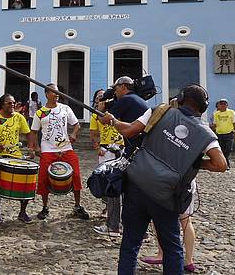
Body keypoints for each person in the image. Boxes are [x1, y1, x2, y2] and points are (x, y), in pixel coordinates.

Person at [105, 84, 227, 275]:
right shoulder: (205, 133)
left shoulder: (159, 111)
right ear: (204, 107)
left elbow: (129, 130)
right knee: (172, 249)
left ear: (179, 98)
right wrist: (195, 163)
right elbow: (221, 164)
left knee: (131, 244)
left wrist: (113, 121)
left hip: (137, 186)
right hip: (166, 196)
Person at [29, 83, 89, 221]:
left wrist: (74, 134)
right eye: (53, 92)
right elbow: (33, 132)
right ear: (46, 94)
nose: (56, 94)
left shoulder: (65, 108)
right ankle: (45, 207)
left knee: (76, 175)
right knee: (43, 177)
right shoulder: (40, 112)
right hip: (48, 149)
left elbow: (76, 125)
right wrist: (36, 147)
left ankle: (77, 206)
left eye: (58, 92)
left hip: (65, 147)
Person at [0, 93, 34, 224]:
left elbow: (28, 134)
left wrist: (31, 148)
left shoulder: (19, 117)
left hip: (16, 156)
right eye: (9, 103)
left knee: (25, 184)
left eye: (13, 103)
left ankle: (22, 212)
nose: (12, 105)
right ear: (1, 105)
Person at [89, 89, 125, 237]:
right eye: (99, 97)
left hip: (121, 149)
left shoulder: (118, 111)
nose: (102, 99)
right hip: (107, 150)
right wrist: (98, 147)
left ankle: (116, 220)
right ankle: (110, 212)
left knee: (120, 187)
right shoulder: (96, 115)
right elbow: (93, 133)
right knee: (107, 184)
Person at [107, 76, 149, 154]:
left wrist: (99, 110)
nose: (115, 93)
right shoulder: (138, 99)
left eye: (116, 89)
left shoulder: (125, 99)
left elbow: (107, 119)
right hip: (144, 143)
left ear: (123, 86)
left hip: (134, 145)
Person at [210, 99, 235, 168]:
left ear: (227, 105)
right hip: (219, 134)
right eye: (221, 104)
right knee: (221, 149)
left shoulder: (231, 112)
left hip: (229, 134)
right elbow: (214, 124)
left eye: (224, 104)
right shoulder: (216, 114)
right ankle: (226, 164)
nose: (223, 105)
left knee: (228, 149)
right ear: (219, 106)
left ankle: (225, 163)